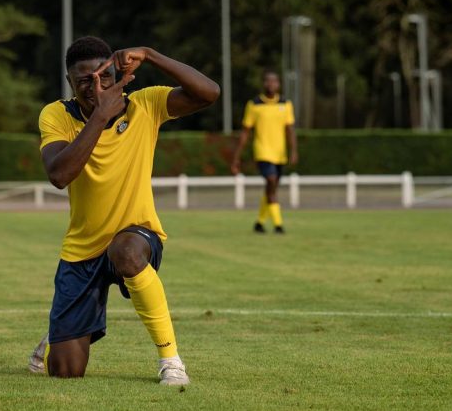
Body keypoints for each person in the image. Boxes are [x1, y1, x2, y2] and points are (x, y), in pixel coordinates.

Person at [27, 36, 219, 385]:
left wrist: (150, 54)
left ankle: (171, 361)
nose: (95, 86)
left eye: (103, 76)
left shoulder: (145, 104)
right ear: (70, 82)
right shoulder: (56, 114)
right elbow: (59, 175)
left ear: (116, 75)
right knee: (67, 372)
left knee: (126, 251)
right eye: (84, 80)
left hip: (136, 235)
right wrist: (99, 117)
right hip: (82, 249)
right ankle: (58, 336)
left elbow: (209, 93)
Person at [231, 71, 298, 234]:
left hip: (279, 153)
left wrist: (293, 150)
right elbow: (245, 132)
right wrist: (236, 158)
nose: (271, 84)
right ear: (263, 84)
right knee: (271, 181)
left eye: (274, 81)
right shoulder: (254, 104)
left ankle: (259, 223)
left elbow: (290, 130)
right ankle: (278, 225)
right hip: (262, 152)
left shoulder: (285, 104)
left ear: (279, 84)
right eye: (268, 81)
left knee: (271, 188)